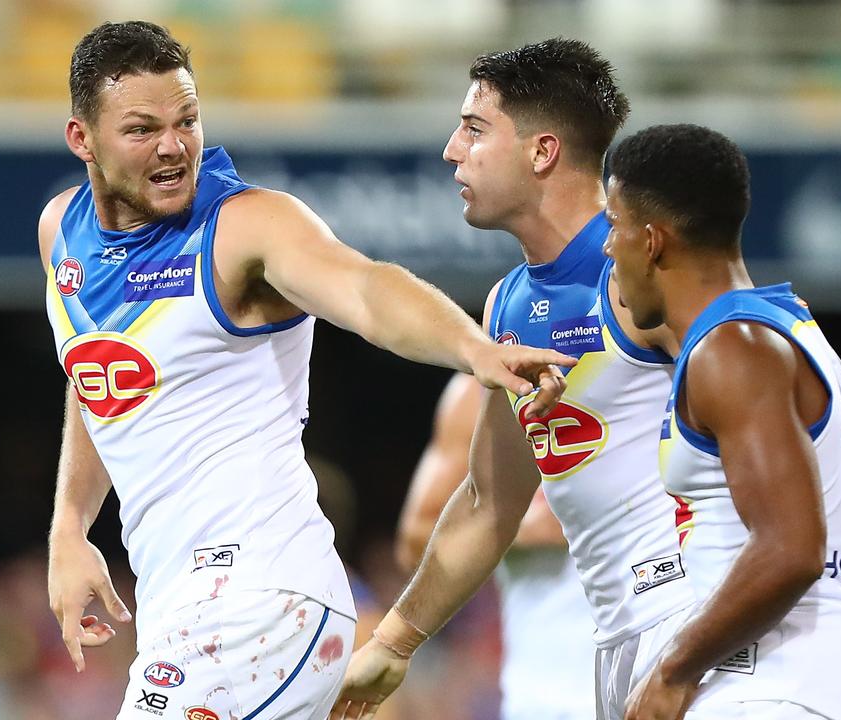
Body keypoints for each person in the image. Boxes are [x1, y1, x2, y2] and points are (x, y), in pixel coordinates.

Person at [38, 21, 574, 720]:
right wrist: (70, 528)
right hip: (185, 605)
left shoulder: (246, 227)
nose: (173, 146)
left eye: (188, 121)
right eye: (142, 129)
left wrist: (474, 349)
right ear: (83, 138)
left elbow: (364, 288)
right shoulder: (62, 231)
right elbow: (97, 377)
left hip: (257, 598)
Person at [331, 40, 697, 720]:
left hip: (698, 632)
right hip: (614, 649)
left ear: (542, 152)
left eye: (474, 130)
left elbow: (775, 409)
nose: (451, 150)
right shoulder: (509, 306)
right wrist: (395, 640)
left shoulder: (650, 268)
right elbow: (488, 501)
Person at [602, 123, 841, 719]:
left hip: (778, 687)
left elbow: (793, 549)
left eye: (613, 226)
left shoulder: (730, 351)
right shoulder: (788, 327)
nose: (607, 248)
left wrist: (673, 670)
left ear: (652, 240)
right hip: (831, 678)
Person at [396, 372, 596, 720]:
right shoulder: (487, 389)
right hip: (543, 697)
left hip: (676, 676)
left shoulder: (679, 360)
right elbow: (416, 538)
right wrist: (516, 528)